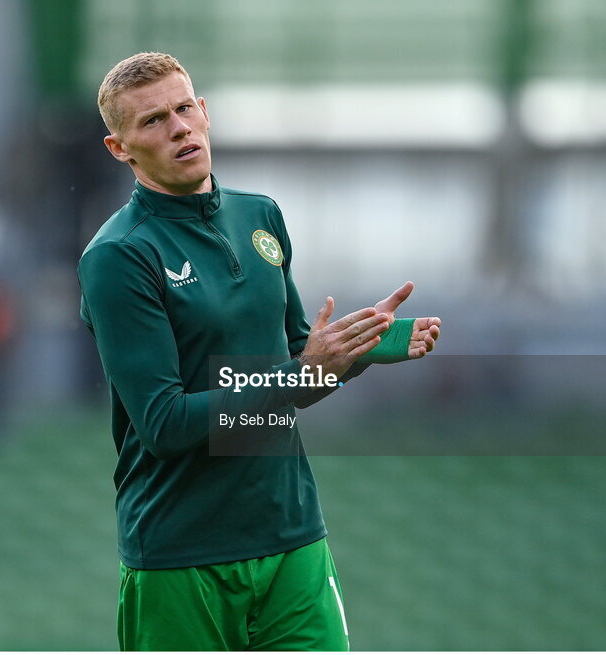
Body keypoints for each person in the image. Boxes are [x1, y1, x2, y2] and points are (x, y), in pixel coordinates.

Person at [78, 52, 441, 651]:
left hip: (291, 532)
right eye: (152, 121)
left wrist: (371, 344)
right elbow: (165, 424)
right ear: (120, 149)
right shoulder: (120, 256)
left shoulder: (260, 215)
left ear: (205, 112)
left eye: (185, 107)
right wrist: (301, 377)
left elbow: (298, 359)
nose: (178, 127)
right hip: (182, 553)